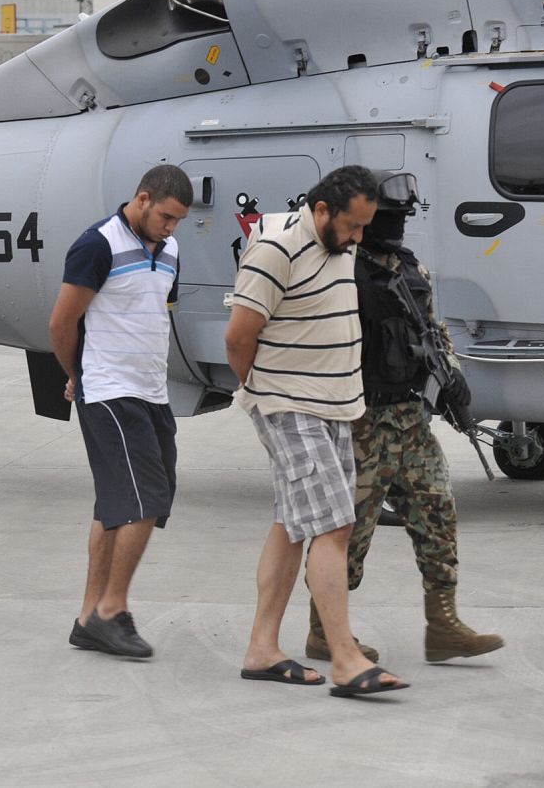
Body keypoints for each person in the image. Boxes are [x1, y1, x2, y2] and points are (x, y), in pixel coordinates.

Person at [305, 171, 503, 664]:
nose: (396, 227)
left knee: (438, 514)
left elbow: (434, 330)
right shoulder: (339, 267)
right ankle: (323, 631)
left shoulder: (411, 268)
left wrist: (451, 374)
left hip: (411, 418)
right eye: (389, 218)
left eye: (402, 218)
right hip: (360, 420)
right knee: (348, 533)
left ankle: (444, 626)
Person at [226, 165, 409, 696]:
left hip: (336, 406)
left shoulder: (338, 241)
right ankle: (346, 659)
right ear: (321, 209)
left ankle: (261, 649)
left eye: (365, 227)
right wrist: (265, 390)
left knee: (293, 525)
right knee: (335, 526)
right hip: (290, 405)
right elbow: (238, 337)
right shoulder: (275, 248)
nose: (359, 238)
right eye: (353, 226)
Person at [48, 165, 192, 657]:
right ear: (143, 198)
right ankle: (113, 611)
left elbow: (154, 316)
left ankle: (89, 616)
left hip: (151, 392)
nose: (171, 228)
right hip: (110, 391)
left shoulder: (170, 250)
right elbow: (62, 323)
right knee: (144, 499)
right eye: (166, 217)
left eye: (178, 220)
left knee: (117, 503)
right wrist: (78, 375)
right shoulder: (98, 244)